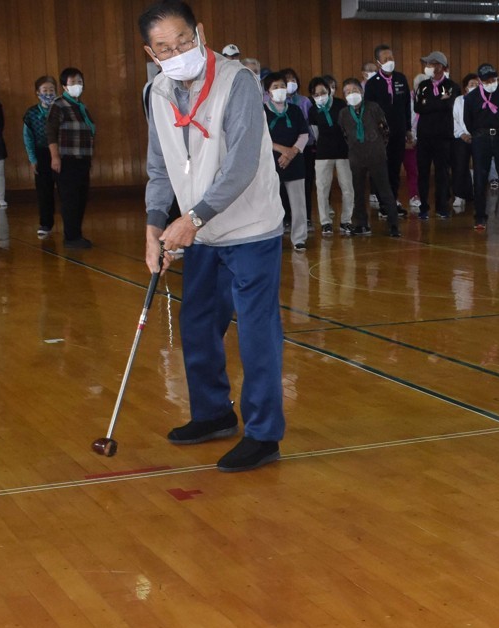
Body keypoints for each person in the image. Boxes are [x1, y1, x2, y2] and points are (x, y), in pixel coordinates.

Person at [142, 0, 286, 472]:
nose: (177, 52)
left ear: (200, 32)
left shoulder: (236, 81)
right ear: (151, 53)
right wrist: (154, 228)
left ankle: (263, 434)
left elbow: (241, 163)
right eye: (165, 48)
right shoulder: (156, 92)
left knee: (256, 333)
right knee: (199, 325)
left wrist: (192, 219)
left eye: (183, 40)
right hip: (202, 234)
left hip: (250, 229)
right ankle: (213, 414)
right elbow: (160, 166)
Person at [463, 62, 499, 231]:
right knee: (480, 179)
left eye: (493, 79)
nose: (491, 83)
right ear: (480, 81)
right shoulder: (472, 97)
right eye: (487, 81)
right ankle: (480, 217)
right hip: (481, 138)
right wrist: (479, 133)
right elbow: (468, 120)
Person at [338, 76, 398, 237]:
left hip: (376, 154)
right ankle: (361, 224)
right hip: (356, 156)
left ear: (362, 92)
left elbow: (385, 130)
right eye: (347, 92)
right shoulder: (343, 113)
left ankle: (393, 224)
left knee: (384, 189)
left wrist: (379, 146)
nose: (352, 94)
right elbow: (345, 134)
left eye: (355, 90)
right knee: (358, 191)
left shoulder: (373, 108)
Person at [48, 67, 95, 248]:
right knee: (70, 199)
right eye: (73, 82)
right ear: (64, 86)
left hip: (82, 159)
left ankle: (77, 234)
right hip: (67, 159)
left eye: (80, 82)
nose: (77, 85)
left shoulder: (81, 107)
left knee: (81, 198)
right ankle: (71, 237)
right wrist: (55, 157)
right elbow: (51, 133)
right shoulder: (58, 104)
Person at [263, 71, 308, 251]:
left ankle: (299, 238)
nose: (280, 89)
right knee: (272, 203)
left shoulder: (295, 110)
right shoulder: (262, 111)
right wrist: (283, 150)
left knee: (298, 204)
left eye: (282, 86)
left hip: (295, 163)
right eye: (275, 87)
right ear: (268, 91)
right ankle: (273, 237)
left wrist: (291, 153)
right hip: (272, 163)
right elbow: (261, 137)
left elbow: (304, 135)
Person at [365, 43, 412, 212]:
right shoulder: (372, 84)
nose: (389, 61)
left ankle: (393, 199)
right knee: (381, 168)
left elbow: (406, 105)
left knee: (395, 167)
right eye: (385, 59)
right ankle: (383, 202)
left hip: (399, 131)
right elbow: (368, 110)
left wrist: (408, 129)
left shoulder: (401, 78)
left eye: (391, 58)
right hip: (380, 134)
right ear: (378, 62)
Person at [412, 50, 457, 220]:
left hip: (443, 136)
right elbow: (418, 107)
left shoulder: (451, 85)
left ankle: (442, 206)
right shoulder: (423, 85)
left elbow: (449, 105)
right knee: (423, 172)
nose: (428, 67)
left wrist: (430, 103)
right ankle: (423, 206)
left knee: (442, 173)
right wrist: (438, 101)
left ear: (440, 66)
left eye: (431, 64)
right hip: (424, 136)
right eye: (427, 64)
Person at [308, 76, 351, 235]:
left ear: (329, 91)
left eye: (323, 92)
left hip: (343, 152)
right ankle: (325, 222)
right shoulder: (313, 110)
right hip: (323, 153)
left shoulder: (340, 104)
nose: (320, 96)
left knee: (347, 187)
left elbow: (347, 127)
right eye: (316, 94)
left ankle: (346, 220)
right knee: (322, 188)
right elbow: (315, 133)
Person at [22, 75, 57, 237]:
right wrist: (32, 159)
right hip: (41, 153)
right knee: (44, 191)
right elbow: (28, 137)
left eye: (51, 90)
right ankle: (45, 224)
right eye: (45, 90)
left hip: (61, 153)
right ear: (38, 92)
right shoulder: (31, 113)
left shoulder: (61, 109)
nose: (48, 93)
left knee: (65, 190)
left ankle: (70, 225)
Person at [450, 71, 478, 215]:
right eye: (472, 84)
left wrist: (476, 134)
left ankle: (478, 195)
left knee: (480, 167)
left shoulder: (482, 100)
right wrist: (462, 134)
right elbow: (454, 119)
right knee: (460, 166)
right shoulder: (459, 100)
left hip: (478, 137)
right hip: (461, 137)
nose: (474, 86)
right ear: (466, 87)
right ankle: (459, 195)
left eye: (477, 84)